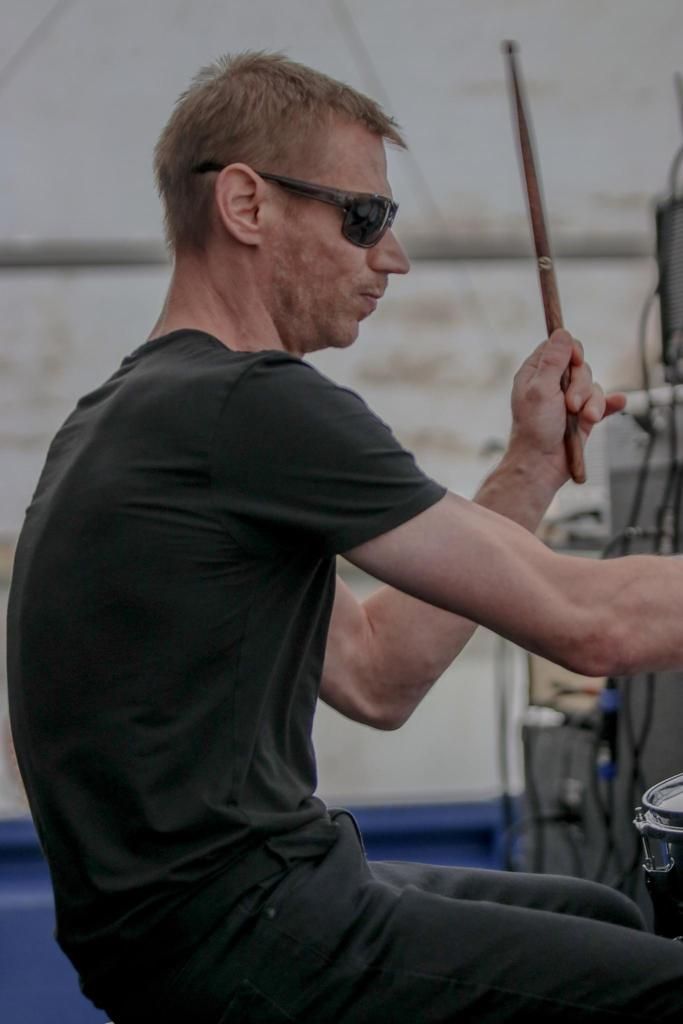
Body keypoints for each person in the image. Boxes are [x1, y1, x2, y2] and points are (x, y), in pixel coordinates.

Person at [7, 51, 683, 1023]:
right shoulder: (248, 404)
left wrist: (529, 466)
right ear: (246, 204)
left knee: (602, 914)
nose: (391, 257)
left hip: (184, 931)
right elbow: (589, 623)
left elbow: (377, 671)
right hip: (248, 927)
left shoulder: (140, 415)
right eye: (362, 217)